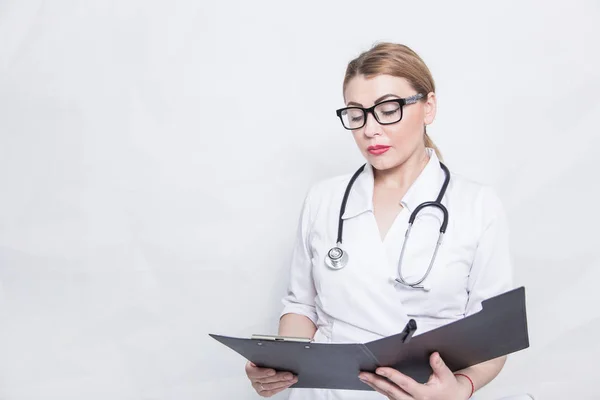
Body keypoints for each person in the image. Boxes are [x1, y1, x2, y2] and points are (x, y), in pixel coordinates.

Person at [245, 42, 513, 400]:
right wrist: (280, 363)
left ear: (428, 107)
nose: (370, 129)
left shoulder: (477, 205)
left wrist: (459, 389)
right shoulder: (324, 199)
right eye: (357, 114)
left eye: (388, 109)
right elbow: (301, 306)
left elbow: (494, 334)